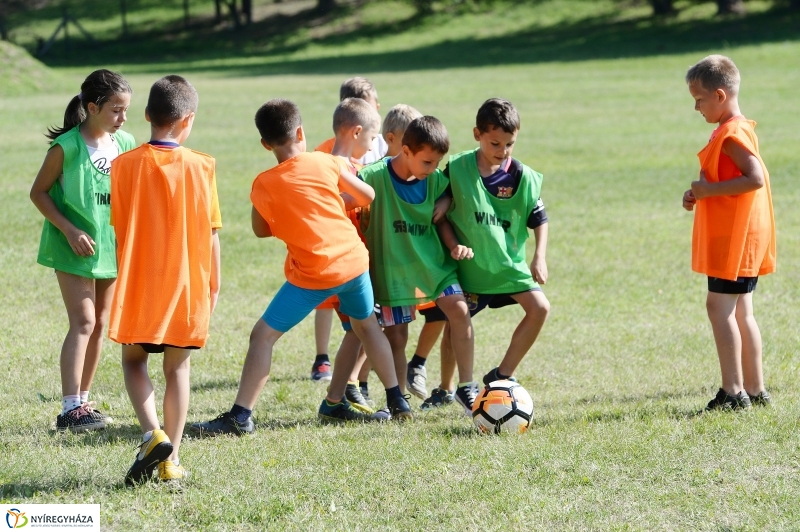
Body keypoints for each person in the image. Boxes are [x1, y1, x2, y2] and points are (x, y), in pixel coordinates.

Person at [191, 98, 412, 435]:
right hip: (354, 263)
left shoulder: (264, 184)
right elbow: (367, 194)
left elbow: (260, 229)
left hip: (316, 273)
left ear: (265, 144)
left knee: (262, 336)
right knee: (366, 326)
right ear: (300, 132)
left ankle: (240, 416)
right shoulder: (325, 162)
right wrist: (332, 203)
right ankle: (395, 400)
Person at [109, 75, 222, 485]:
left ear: (146, 116)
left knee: (134, 359)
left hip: (140, 282)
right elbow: (211, 232)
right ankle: (169, 460)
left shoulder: (122, 165)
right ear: (187, 119)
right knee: (178, 370)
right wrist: (215, 283)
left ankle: (151, 433)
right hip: (187, 283)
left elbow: (120, 226)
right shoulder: (202, 165)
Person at [420, 98, 551, 411]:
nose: (503, 150)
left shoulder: (521, 175)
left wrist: (539, 257)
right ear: (477, 134)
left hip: (506, 265)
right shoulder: (458, 167)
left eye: (509, 144)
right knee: (455, 326)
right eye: (495, 143)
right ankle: (447, 388)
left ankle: (502, 374)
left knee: (540, 308)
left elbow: (540, 218)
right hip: (471, 268)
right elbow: (442, 211)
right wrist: (448, 212)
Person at [30, 69, 135, 433]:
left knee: (101, 324)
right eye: (116, 111)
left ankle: (83, 402)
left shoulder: (126, 144)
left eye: (126, 111)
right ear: (92, 107)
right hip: (72, 246)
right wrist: (70, 228)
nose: (123, 119)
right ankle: (68, 407)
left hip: (109, 248)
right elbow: (38, 193)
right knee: (84, 322)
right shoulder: (67, 147)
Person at [359, 116, 479, 414]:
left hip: (433, 268)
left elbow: (443, 221)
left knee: (459, 309)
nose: (433, 169)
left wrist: (454, 245)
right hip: (392, 272)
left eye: (437, 162)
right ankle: (398, 399)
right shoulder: (372, 177)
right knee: (397, 335)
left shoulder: (437, 182)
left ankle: (466, 387)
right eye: (427, 162)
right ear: (406, 150)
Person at [682, 55, 776, 411]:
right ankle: (755, 389)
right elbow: (725, 180)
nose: (696, 107)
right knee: (741, 312)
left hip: (735, 240)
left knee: (718, 308)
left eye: (699, 99)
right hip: (742, 238)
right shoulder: (732, 128)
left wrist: (708, 191)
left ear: (720, 95)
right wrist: (699, 192)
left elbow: (754, 178)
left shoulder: (732, 132)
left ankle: (733, 392)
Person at [309, 76, 389, 383]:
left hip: (362, 246)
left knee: (360, 325)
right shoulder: (326, 157)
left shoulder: (377, 149)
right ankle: (333, 371)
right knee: (345, 316)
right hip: (338, 252)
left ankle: (350, 386)